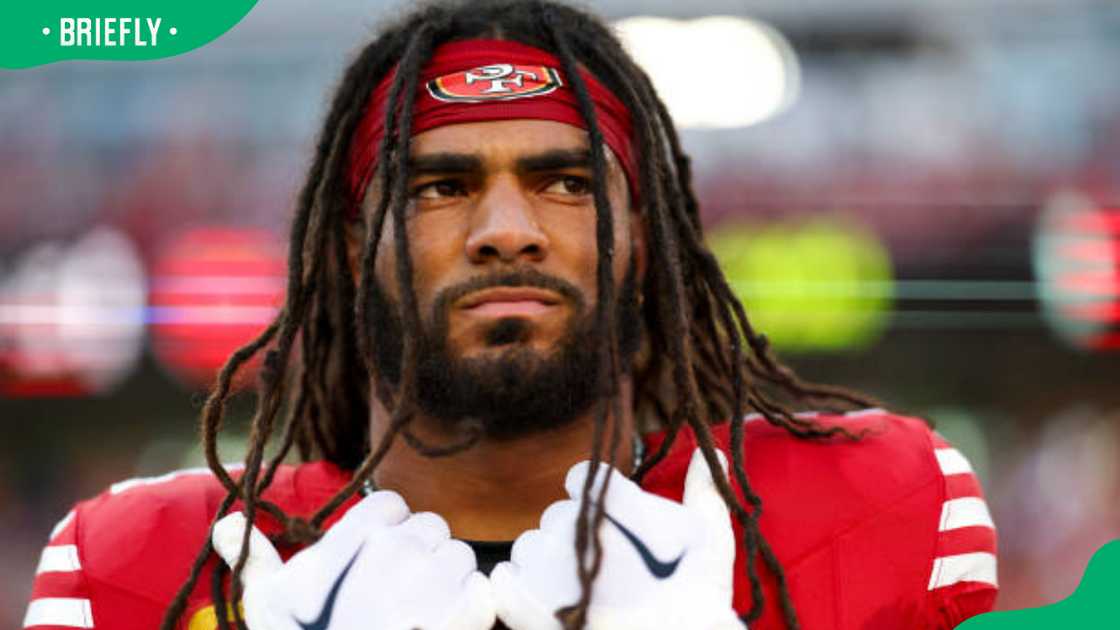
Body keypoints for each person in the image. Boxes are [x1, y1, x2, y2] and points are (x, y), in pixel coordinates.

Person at [23, 1, 998, 629]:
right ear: (348, 250)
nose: (505, 230)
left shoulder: (878, 509)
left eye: (564, 181)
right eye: (439, 187)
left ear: (643, 238)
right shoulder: (142, 571)